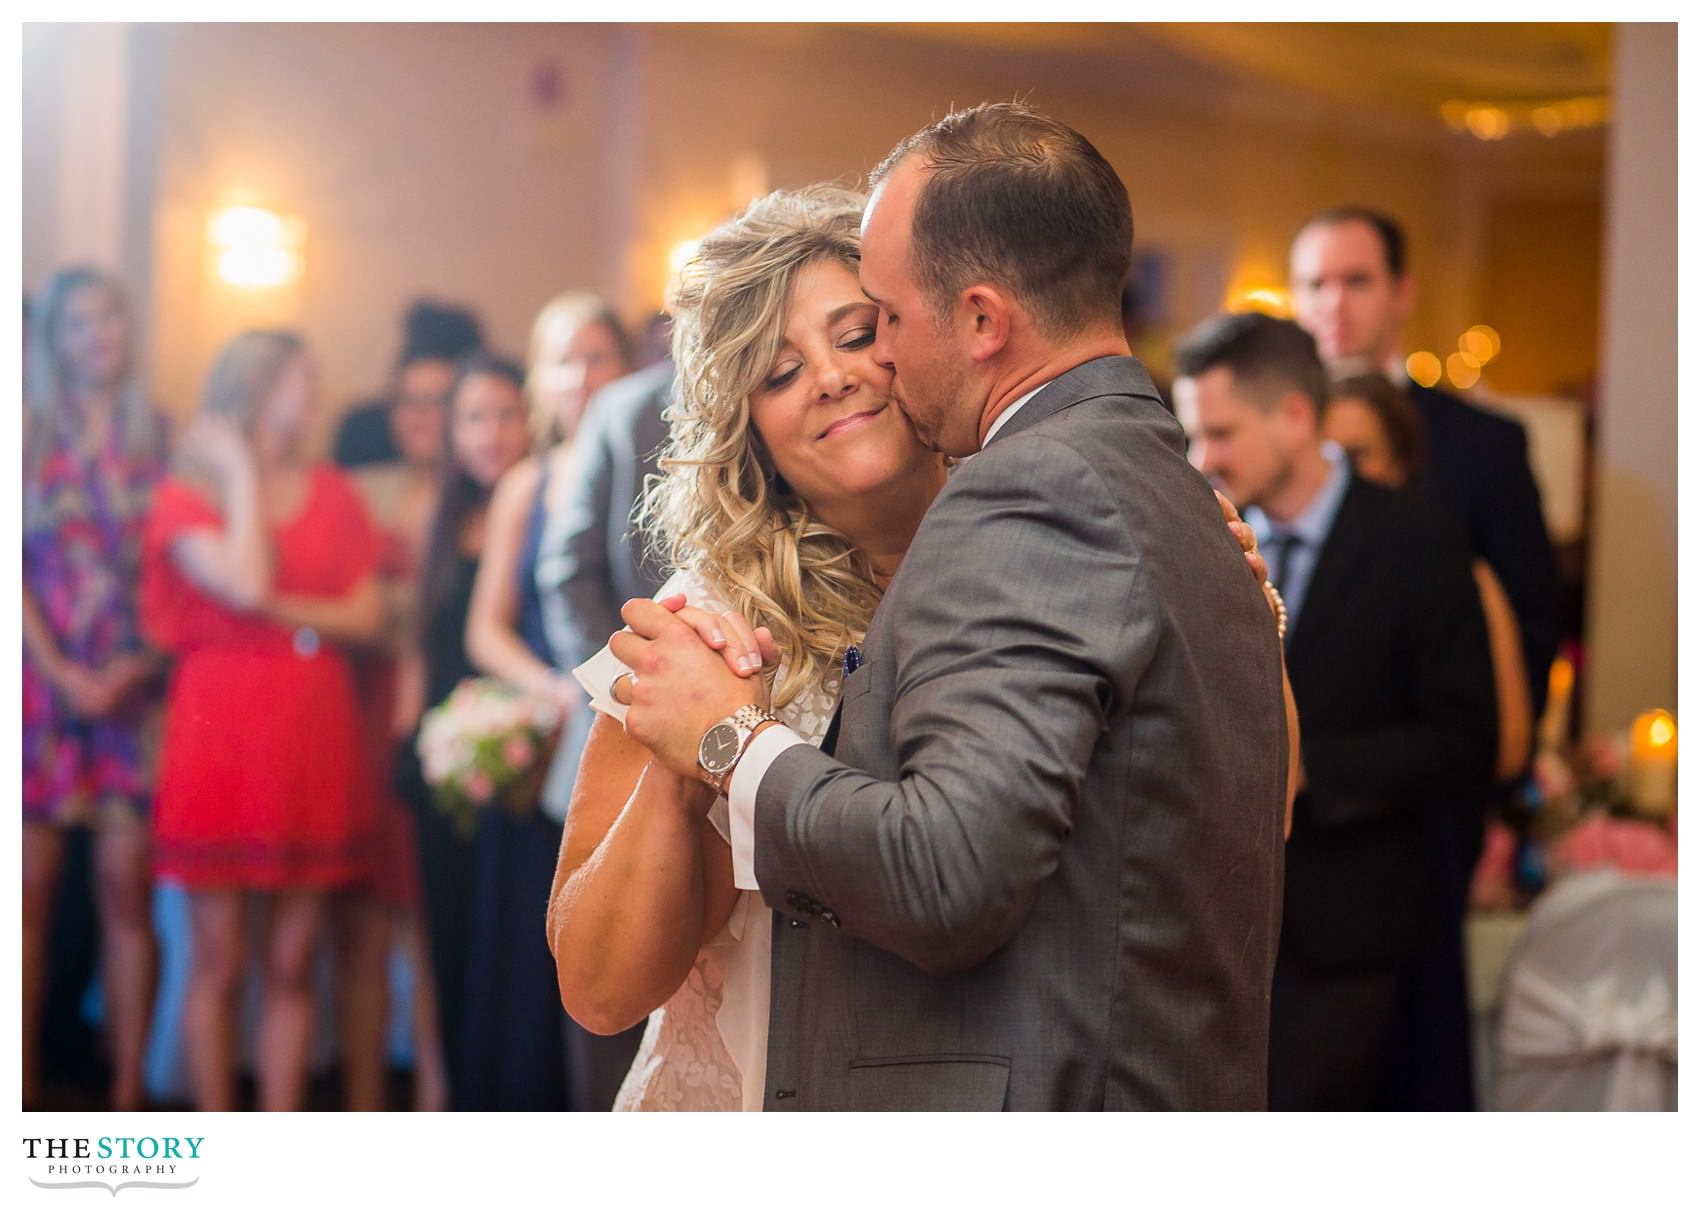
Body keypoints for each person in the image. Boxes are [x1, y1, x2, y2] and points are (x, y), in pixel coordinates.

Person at [577, 104, 1293, 1111]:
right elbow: (599, 989)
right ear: (746, 431)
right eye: (777, 372)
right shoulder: (704, 619)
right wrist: (681, 747)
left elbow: (1225, 822)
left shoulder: (1061, 519)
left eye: (861, 331)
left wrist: (1233, 620)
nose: (828, 379)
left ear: (955, 325)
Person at [1172, 310, 1498, 1110]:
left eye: (1220, 432)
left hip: (1348, 928)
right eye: (1191, 435)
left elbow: (1466, 737)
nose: (1200, 459)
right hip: (1207, 929)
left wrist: (1311, 764)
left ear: (1293, 416)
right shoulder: (1193, 539)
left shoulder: (1418, 543)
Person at [140, 330, 385, 1111]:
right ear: (255, 387)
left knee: (293, 960)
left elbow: (369, 613)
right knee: (217, 960)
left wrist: (283, 613)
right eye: (299, 378)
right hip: (220, 732)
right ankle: (216, 1144)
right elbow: (243, 579)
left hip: (312, 735)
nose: (315, 393)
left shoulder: (335, 490)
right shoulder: (190, 490)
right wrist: (243, 474)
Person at [460, 295, 639, 1110]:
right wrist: (545, 685)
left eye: (597, 356)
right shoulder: (526, 484)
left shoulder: (645, 463)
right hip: (557, 736)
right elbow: (486, 627)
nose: (580, 377)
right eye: (563, 360)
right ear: (540, 377)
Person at [1288, 207, 1558, 729]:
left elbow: (1531, 626)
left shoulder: (1485, 443)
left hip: (1436, 770)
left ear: (1402, 293)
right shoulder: (1270, 435)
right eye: (1315, 284)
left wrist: (1499, 785)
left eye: (1357, 281)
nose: (1333, 304)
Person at [397, 354, 576, 1110]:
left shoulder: (546, 497)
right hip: (447, 751)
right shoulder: (433, 519)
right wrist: (410, 739)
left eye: (505, 414)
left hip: (527, 748)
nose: (490, 432)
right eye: (473, 418)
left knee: (507, 937)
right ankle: (442, 1095)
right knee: (444, 935)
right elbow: (418, 639)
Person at [23, 266, 170, 1111]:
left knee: (126, 891)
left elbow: (177, 573)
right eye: (77, 323)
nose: (96, 336)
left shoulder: (162, 435)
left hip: (132, 689)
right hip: (43, 692)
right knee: (28, 898)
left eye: (108, 318)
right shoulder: (27, 433)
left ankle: (125, 1092)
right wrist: (61, 672)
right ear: (55, 339)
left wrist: (132, 668)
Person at [1324, 370, 1532, 781]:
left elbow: (1507, 746)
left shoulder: (1458, 573)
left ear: (1400, 465)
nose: (1341, 478)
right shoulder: (1304, 564)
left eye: (1358, 457)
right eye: (1328, 458)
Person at [333, 300, 483, 468]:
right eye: (409, 399)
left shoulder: (501, 490)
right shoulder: (363, 484)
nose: (420, 412)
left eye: (438, 400)